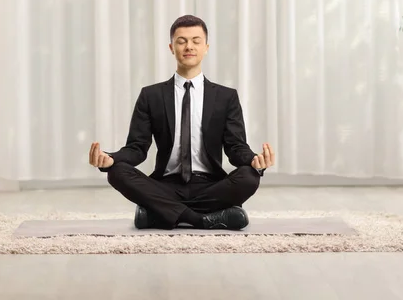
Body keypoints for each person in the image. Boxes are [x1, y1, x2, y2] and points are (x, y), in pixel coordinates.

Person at [88, 15, 275, 230]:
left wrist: (254, 160)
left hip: (211, 185)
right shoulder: (151, 96)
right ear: (171, 47)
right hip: (166, 185)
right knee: (118, 173)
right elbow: (137, 149)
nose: (189, 46)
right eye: (181, 41)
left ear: (206, 47)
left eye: (196, 41)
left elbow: (235, 148)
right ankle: (202, 219)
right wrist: (110, 159)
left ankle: (159, 213)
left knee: (249, 177)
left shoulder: (226, 97)